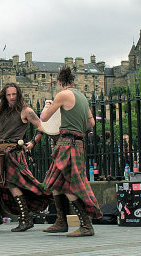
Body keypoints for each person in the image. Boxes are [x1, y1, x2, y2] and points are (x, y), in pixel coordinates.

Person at [0, 82, 52, 232]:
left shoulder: (25, 110)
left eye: (14, 94)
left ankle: (25, 219)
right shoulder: (2, 110)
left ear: (18, 94)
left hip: (14, 151)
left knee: (13, 184)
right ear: (5, 96)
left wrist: (32, 143)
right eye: (9, 95)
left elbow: (41, 127)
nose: (12, 97)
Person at [41, 66, 102, 237]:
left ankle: (86, 226)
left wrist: (47, 106)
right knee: (54, 182)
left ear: (59, 82)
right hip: (77, 144)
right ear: (73, 81)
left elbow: (44, 118)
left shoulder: (62, 95)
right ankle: (61, 222)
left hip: (67, 144)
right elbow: (91, 123)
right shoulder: (81, 97)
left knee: (68, 185)